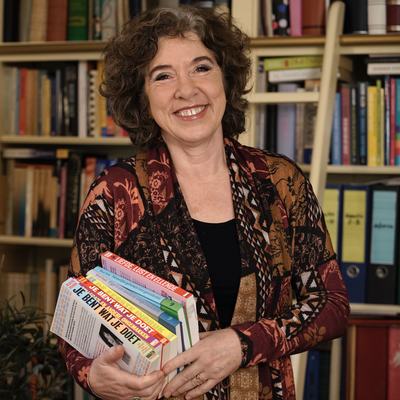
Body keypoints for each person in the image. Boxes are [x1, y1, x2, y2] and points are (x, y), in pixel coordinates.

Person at [59, 6, 350, 400]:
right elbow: (75, 324)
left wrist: (242, 343)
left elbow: (331, 304)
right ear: (142, 97)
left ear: (225, 78)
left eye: (201, 68)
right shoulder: (114, 193)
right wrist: (93, 375)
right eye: (163, 76)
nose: (186, 90)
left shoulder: (279, 180)